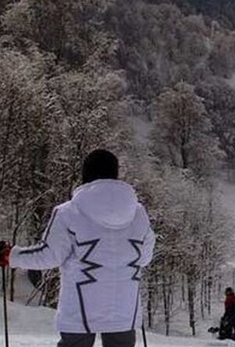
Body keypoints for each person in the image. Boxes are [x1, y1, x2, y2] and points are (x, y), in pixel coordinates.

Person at [0, 149, 155, 347]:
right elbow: (144, 257)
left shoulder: (68, 212)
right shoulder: (138, 213)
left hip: (80, 310)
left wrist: (10, 255)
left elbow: (48, 256)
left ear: (86, 175)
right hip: (124, 309)